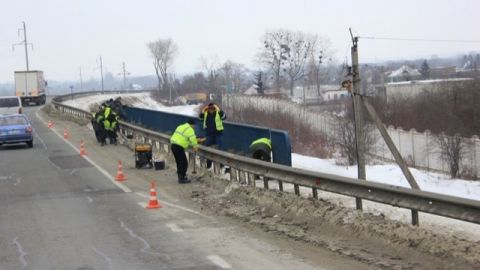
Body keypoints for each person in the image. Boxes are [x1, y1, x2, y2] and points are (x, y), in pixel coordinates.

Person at [170, 119, 205, 184]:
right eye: (194, 126)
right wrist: (195, 147)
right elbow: (192, 139)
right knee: (184, 163)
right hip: (179, 147)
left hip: (173, 145)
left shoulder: (180, 126)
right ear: (192, 124)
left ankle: (180, 176)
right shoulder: (190, 129)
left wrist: (196, 140)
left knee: (179, 162)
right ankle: (182, 178)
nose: (194, 127)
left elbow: (184, 137)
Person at [198, 102, 226, 168]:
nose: (211, 110)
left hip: (218, 134)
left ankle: (221, 165)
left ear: (214, 109)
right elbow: (200, 118)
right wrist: (203, 110)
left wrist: (218, 109)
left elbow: (224, 117)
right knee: (207, 149)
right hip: (209, 134)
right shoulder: (205, 113)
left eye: (212, 109)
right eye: (209, 109)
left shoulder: (218, 113)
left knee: (220, 149)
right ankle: (208, 165)